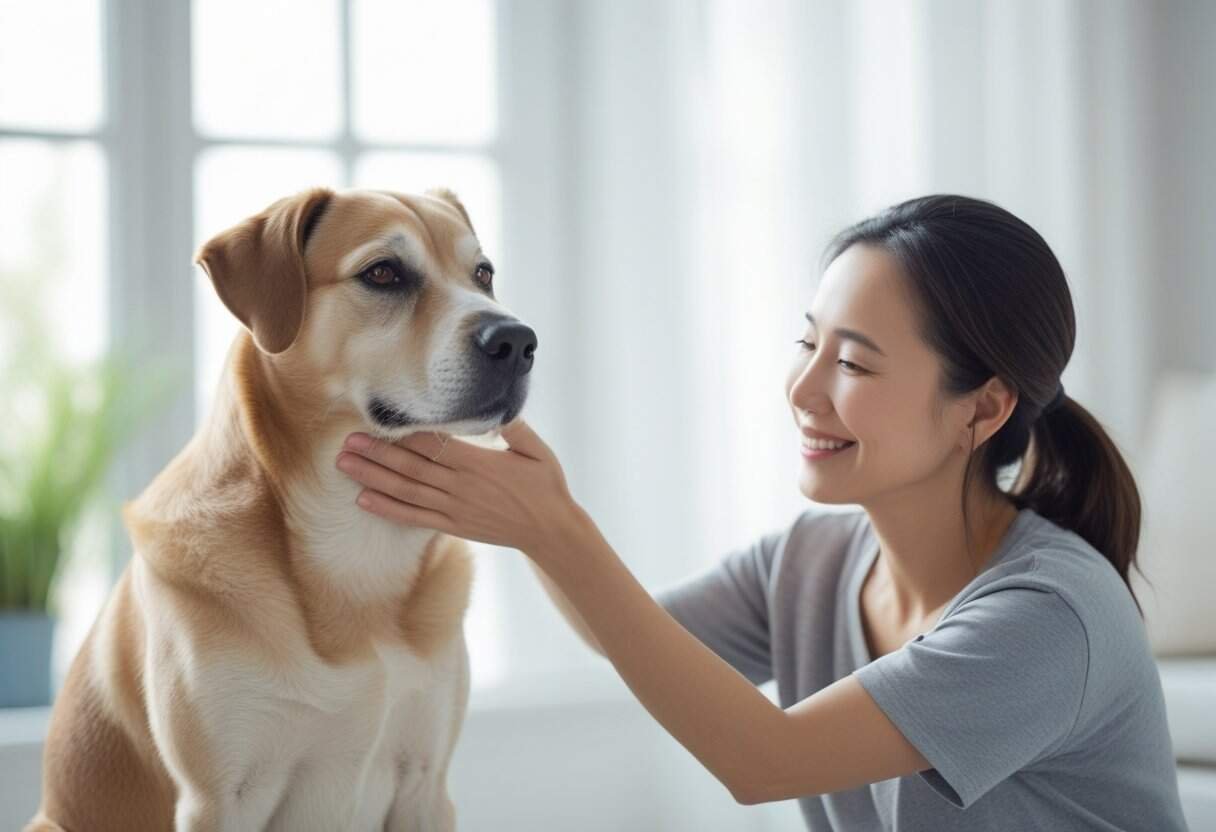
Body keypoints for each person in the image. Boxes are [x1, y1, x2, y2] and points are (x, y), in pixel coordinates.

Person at [333, 194, 1189, 830]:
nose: (805, 391)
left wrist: (551, 526)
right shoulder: (812, 560)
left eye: (853, 365)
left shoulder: (1047, 620)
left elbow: (765, 761)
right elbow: (628, 633)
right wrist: (531, 519)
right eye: (809, 343)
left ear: (982, 410)